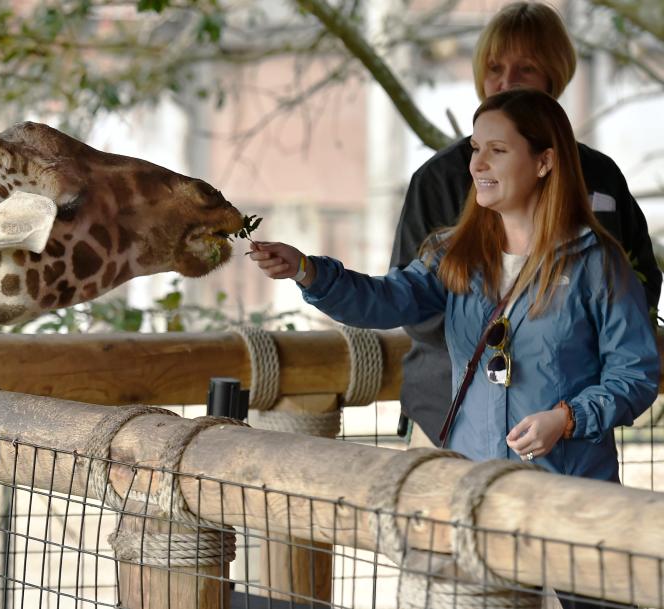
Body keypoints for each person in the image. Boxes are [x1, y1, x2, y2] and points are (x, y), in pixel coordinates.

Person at [249, 88, 659, 482]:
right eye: (476, 149)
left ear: (544, 162)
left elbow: (635, 374)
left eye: (497, 151)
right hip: (475, 486)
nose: (477, 165)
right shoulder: (455, 253)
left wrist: (567, 419)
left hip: (569, 494)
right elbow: (384, 301)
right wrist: (307, 270)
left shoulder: (597, 263)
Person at [389, 2, 661, 447]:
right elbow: (409, 299)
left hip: (569, 416)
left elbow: (640, 277)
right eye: (495, 67)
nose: (506, 81)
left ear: (555, 78)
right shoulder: (440, 179)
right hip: (449, 415)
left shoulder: (600, 175)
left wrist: (576, 345)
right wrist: (515, 343)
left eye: (526, 68)